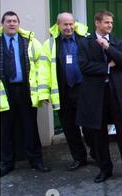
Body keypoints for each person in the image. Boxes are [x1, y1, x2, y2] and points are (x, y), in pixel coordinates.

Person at [76, 10, 122, 183]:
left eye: (111, 23)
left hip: (117, 94)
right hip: (96, 96)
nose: (110, 25)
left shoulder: (118, 42)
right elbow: (84, 66)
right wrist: (107, 67)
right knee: (99, 134)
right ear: (97, 23)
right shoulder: (85, 43)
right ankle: (105, 169)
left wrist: (108, 48)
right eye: (106, 22)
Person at [38, 13, 93, 171]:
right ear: (58, 25)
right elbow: (43, 69)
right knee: (70, 129)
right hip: (63, 93)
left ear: (75, 24)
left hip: (84, 90)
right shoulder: (50, 44)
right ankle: (79, 158)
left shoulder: (85, 39)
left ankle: (96, 153)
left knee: (90, 126)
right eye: (65, 25)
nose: (68, 27)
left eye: (71, 24)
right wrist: (44, 93)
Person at [0, 11, 51, 177]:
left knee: (30, 127)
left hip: (26, 90)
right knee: (4, 129)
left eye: (14, 21)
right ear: (3, 24)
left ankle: (36, 160)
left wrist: (43, 91)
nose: (12, 24)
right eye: (8, 21)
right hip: (4, 91)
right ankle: (7, 163)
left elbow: (42, 65)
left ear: (19, 23)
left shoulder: (29, 41)